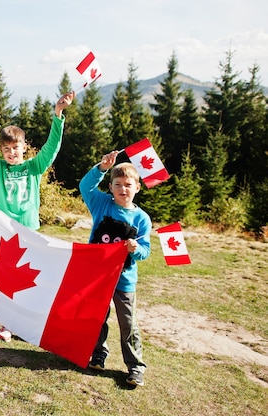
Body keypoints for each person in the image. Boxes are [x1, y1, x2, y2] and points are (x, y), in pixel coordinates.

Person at [0, 89, 75, 341]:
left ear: (24, 147)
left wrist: (58, 114)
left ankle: (28, 322)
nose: (11, 153)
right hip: (5, 231)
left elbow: (52, 148)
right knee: (6, 278)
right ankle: (7, 324)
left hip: (30, 231)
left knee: (31, 277)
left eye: (15, 148)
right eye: (6, 149)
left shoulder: (34, 167)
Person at [79, 150, 152, 387]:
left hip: (124, 280)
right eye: (117, 184)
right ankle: (98, 354)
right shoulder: (101, 204)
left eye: (128, 185)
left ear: (137, 188)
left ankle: (136, 366)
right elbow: (85, 187)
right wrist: (101, 168)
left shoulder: (142, 219)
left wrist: (135, 249)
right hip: (97, 276)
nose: (123, 189)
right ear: (110, 187)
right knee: (97, 317)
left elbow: (146, 251)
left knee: (127, 323)